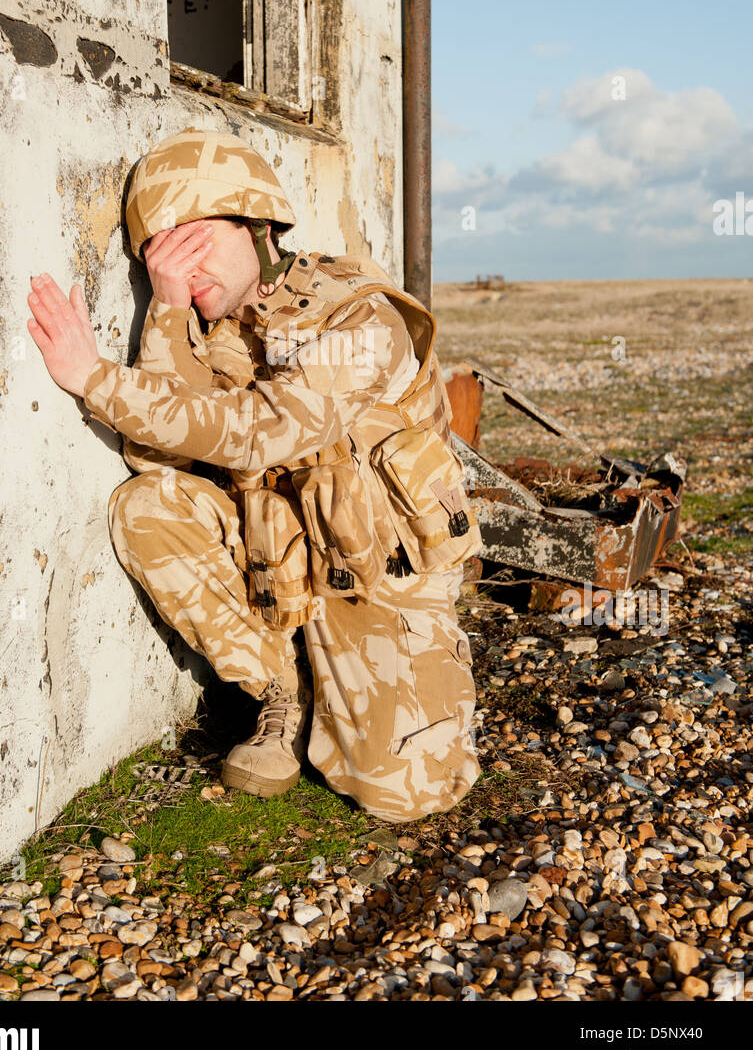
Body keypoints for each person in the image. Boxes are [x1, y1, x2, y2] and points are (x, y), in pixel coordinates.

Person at [26, 129, 483, 824]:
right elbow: (158, 455)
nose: (181, 264)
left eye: (196, 239)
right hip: (282, 566)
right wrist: (169, 308)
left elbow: (260, 430)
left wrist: (91, 378)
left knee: (405, 795)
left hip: (376, 575)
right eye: (161, 250)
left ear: (261, 226)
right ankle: (282, 689)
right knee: (149, 503)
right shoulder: (218, 330)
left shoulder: (362, 316)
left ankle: (386, 674)